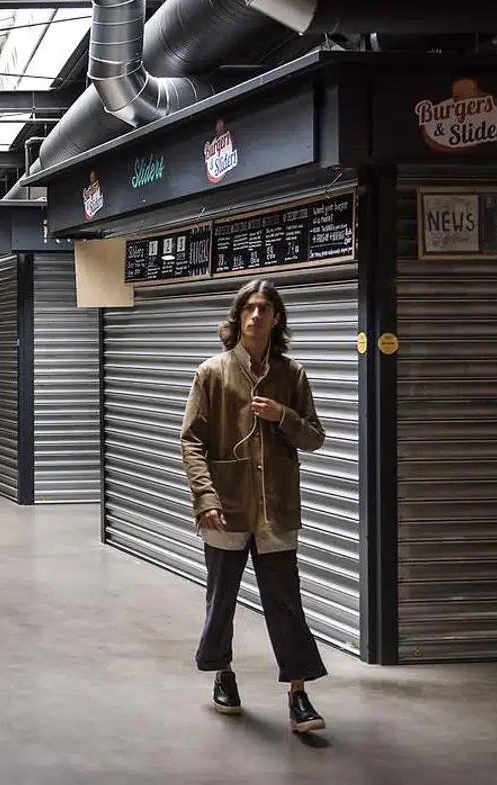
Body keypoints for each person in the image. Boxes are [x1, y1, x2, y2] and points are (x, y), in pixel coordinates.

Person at [178, 279, 329, 734]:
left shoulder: (292, 375)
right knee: (222, 598)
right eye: (249, 307)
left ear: (276, 318)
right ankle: (223, 675)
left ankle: (299, 694)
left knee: (286, 603)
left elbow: (315, 438)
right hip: (226, 506)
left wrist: (282, 416)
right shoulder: (212, 373)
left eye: (265, 308)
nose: (256, 315)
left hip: (275, 510)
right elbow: (190, 441)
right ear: (237, 317)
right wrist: (205, 498)